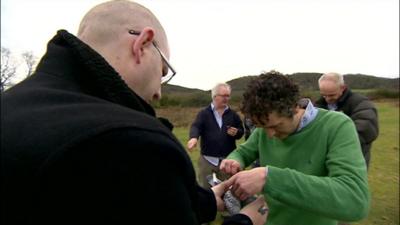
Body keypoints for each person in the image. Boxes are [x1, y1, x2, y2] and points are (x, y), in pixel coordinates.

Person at [0, 1, 267, 225]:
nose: (159, 93)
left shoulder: (12, 106)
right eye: (163, 72)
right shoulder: (132, 142)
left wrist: (207, 200)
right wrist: (245, 220)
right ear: (142, 44)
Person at [219, 71, 370, 225]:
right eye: (262, 127)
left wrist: (270, 179)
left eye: (276, 126)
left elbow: (355, 200)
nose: (269, 135)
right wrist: (234, 160)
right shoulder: (264, 130)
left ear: (294, 107)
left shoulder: (336, 126)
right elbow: (243, 152)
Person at [315, 72, 379, 168]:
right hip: (327, 160)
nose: (327, 99)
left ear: (342, 88)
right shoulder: (318, 105)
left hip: (354, 159)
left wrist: (332, 142)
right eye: (324, 95)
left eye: (332, 95)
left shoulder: (361, 103)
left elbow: (366, 128)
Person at [187, 83, 244, 189]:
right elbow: (196, 126)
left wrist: (237, 132)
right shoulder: (204, 113)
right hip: (207, 159)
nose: (226, 98)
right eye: (223, 96)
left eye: (228, 96)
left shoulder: (233, 114)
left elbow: (241, 131)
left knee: (228, 191)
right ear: (214, 96)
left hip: (227, 160)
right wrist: (194, 138)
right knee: (205, 190)